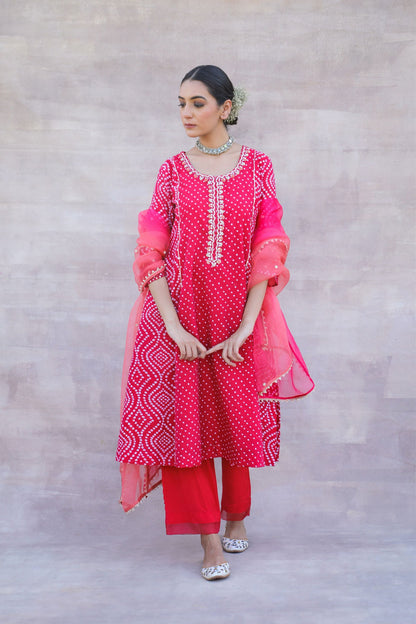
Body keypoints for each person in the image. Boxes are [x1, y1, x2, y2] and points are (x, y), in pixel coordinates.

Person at [115, 65, 314, 581]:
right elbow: (150, 253)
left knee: (235, 417)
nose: (186, 113)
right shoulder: (172, 171)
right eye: (181, 103)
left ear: (226, 107)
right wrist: (173, 326)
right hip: (179, 316)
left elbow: (268, 247)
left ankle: (236, 515)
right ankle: (208, 540)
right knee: (188, 426)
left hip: (238, 314)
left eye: (197, 103)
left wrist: (248, 325)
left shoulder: (258, 167)